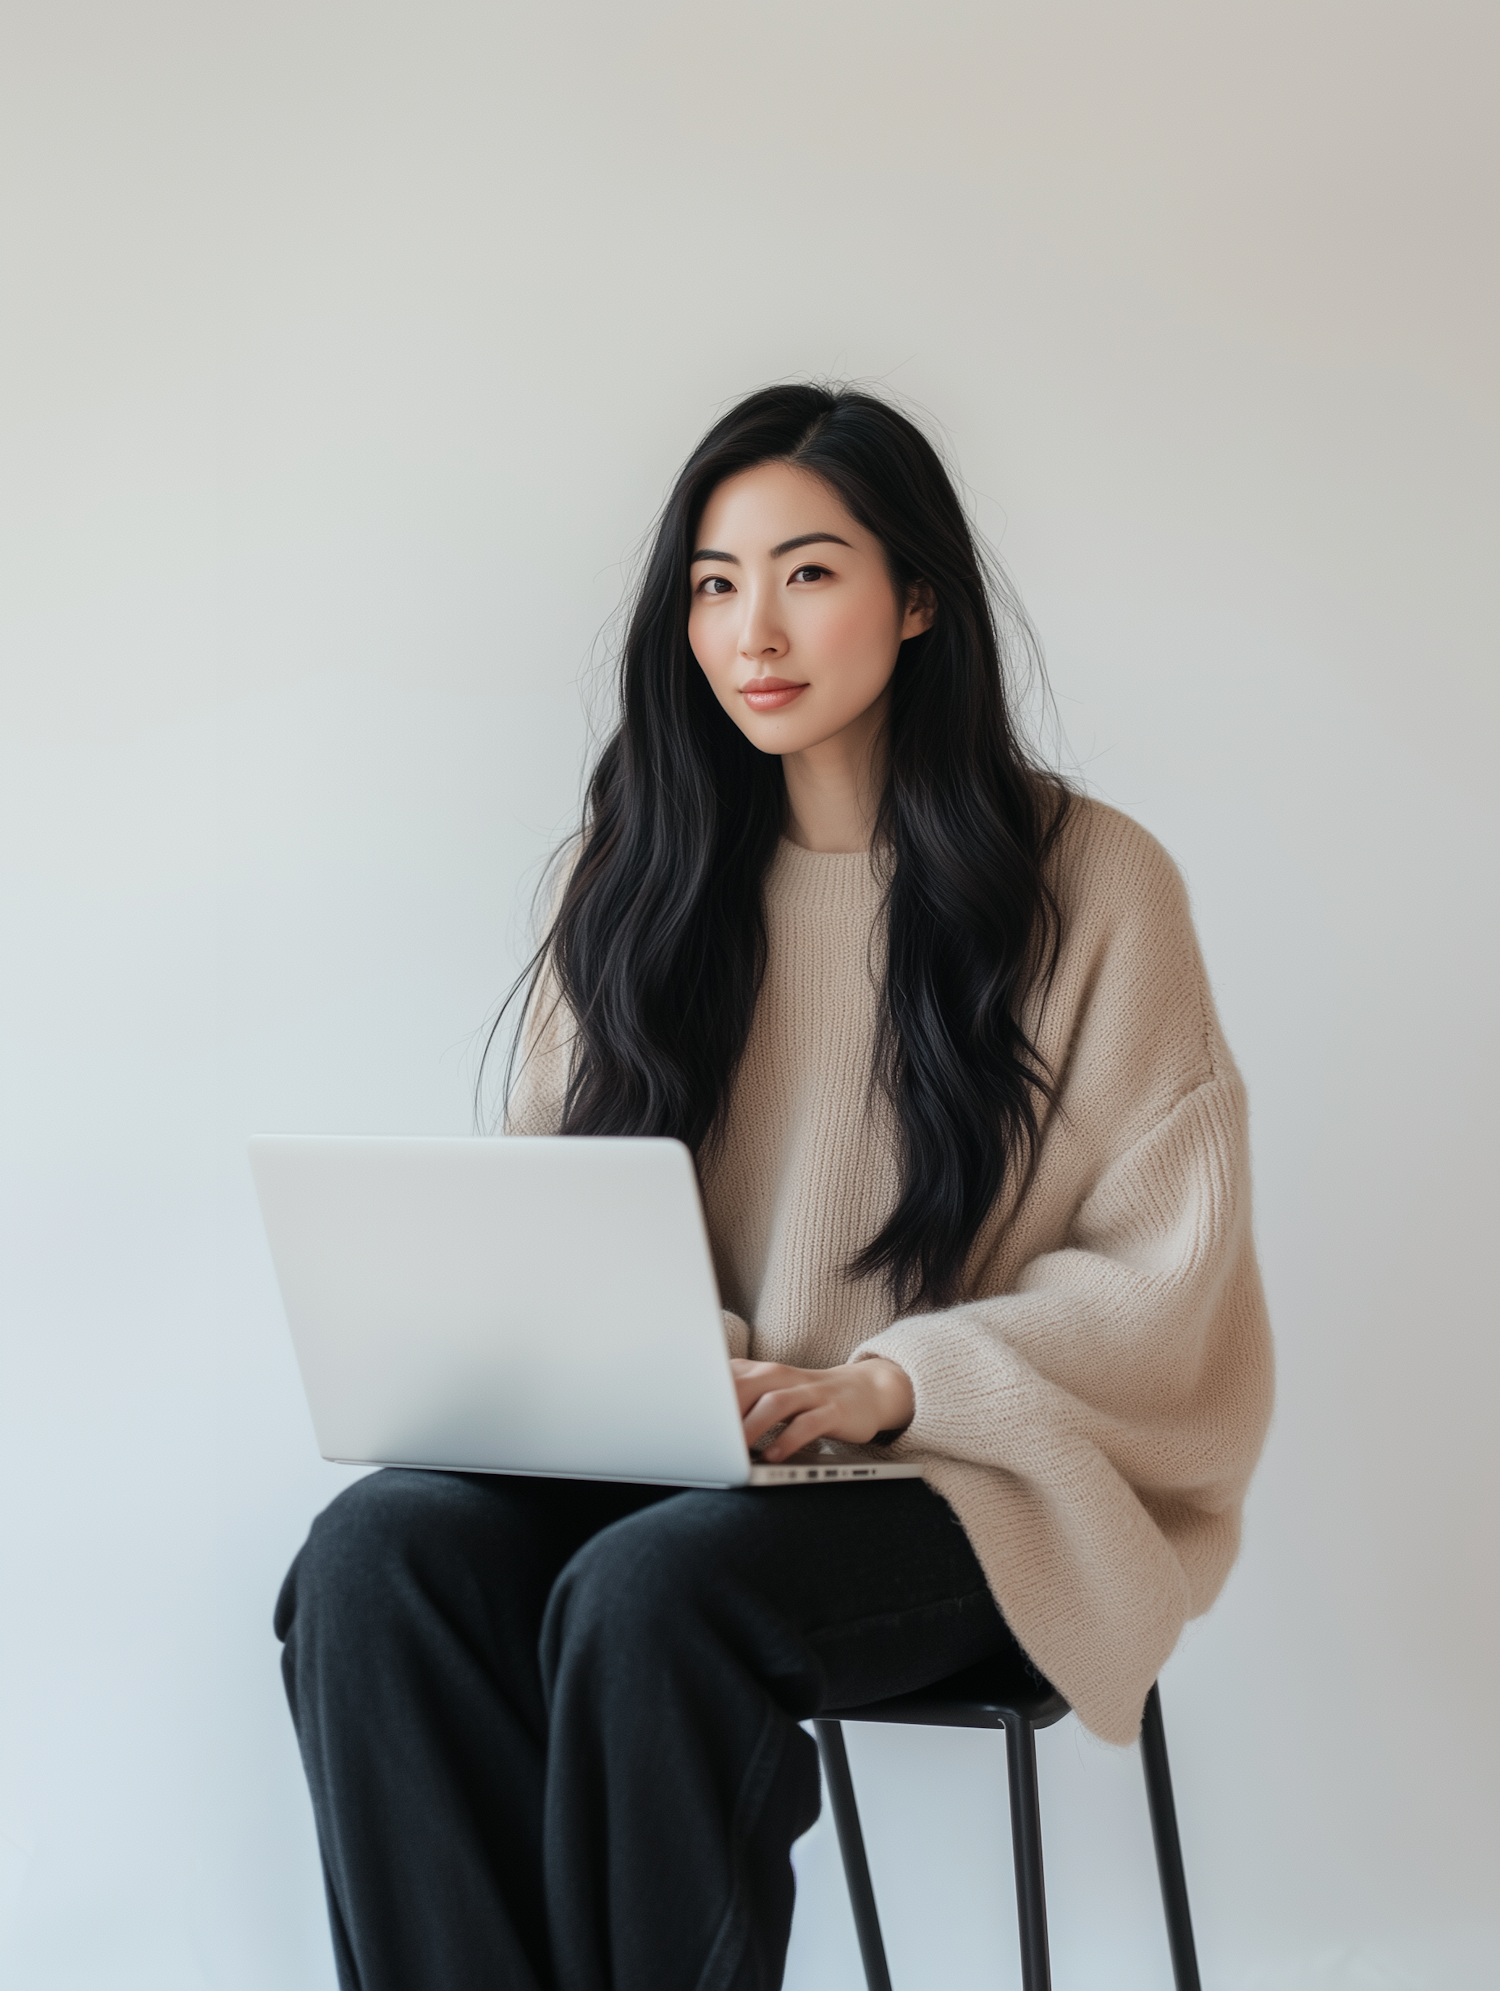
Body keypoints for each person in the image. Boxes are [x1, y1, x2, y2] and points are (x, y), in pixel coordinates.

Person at [274, 383, 1274, 1991]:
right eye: (715, 583)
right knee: (374, 1560)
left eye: (810, 572)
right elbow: (568, 1225)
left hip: (981, 1483)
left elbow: (1169, 1281)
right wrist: (689, 1366)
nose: (755, 628)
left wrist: (890, 1383)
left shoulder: (1092, 886)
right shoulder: (641, 874)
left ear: (920, 595)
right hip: (695, 1462)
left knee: (653, 1593)